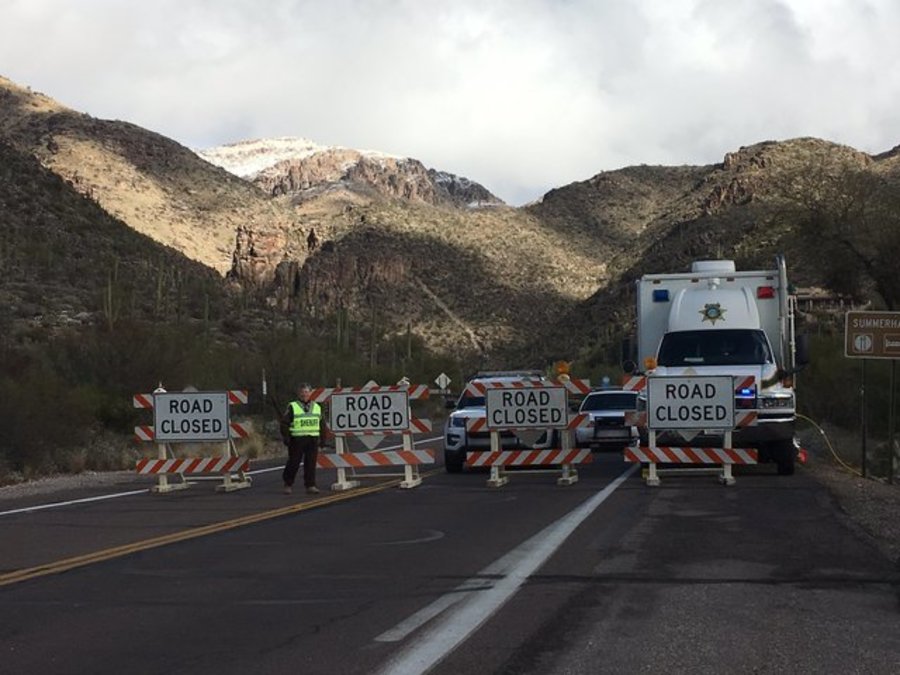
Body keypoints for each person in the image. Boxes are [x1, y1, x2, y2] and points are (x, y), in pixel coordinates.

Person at [281, 383, 328, 495]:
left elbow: (322, 424)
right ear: (298, 394)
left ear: (310, 393)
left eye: (306, 392)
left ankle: (310, 485)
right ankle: (288, 484)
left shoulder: (317, 407)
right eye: (302, 392)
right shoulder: (292, 406)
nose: (304, 394)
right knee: (294, 463)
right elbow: (284, 423)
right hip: (296, 439)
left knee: (310, 463)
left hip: (312, 439)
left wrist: (323, 438)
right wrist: (286, 437)